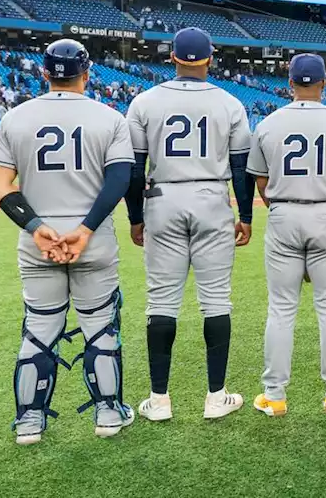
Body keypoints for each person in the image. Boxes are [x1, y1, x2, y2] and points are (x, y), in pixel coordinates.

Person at [0, 39, 135, 444]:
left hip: (39, 243)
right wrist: (84, 230)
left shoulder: (15, 118)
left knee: (39, 329)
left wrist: (35, 226)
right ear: (87, 74)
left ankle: (30, 421)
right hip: (94, 240)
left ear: (45, 73)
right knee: (102, 329)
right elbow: (120, 180)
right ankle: (108, 413)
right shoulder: (109, 118)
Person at [125, 28, 255, 422]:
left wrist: (135, 217)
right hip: (212, 199)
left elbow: (134, 169)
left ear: (173, 58)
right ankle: (216, 397)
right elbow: (240, 168)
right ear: (210, 59)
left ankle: (159, 400)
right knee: (216, 298)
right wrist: (246, 215)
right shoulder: (231, 102)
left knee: (162, 299)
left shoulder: (145, 101)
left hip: (162, 198)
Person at [246, 54, 326, 417]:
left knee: (281, 309)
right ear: (324, 84)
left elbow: (261, 182)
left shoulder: (267, 123)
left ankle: (275, 395)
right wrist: (325, 204)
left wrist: (282, 206)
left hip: (283, 213)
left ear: (290, 82)